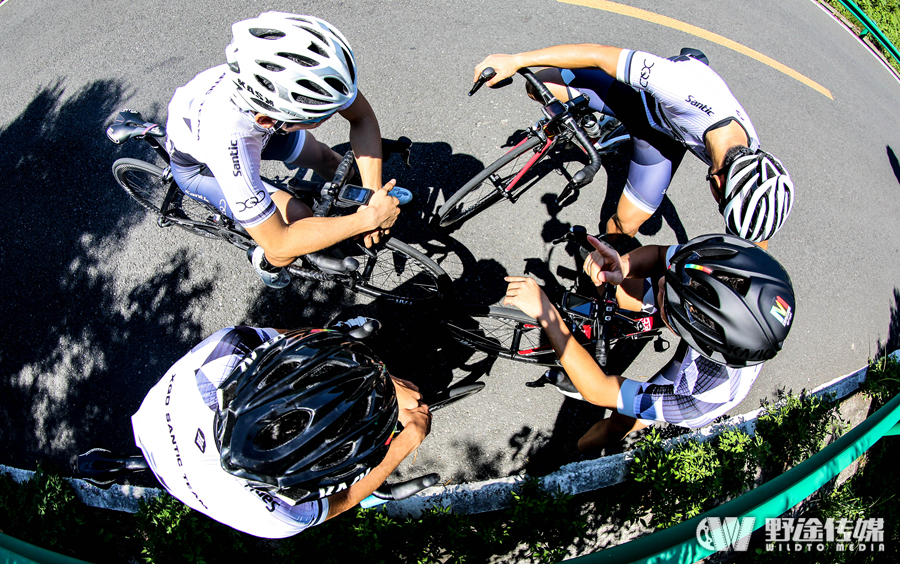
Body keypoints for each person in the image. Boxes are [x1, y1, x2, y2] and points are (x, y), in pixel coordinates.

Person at [166, 12, 408, 288]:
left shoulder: (278, 84)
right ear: (270, 120)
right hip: (201, 164)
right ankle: (265, 265)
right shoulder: (228, 142)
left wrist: (373, 194)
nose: (335, 114)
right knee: (297, 217)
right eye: (321, 115)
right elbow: (281, 241)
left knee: (326, 158)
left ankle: (353, 198)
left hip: (258, 131)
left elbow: (361, 117)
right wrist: (369, 218)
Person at [475, 45, 794, 251]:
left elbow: (756, 235)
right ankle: (589, 122)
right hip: (644, 100)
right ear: (719, 181)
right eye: (721, 202)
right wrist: (516, 60)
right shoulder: (685, 92)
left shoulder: (752, 165)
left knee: (623, 227)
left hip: (664, 139)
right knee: (538, 84)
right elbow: (600, 55)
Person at [503, 234, 795, 454]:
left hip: (694, 386)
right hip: (713, 345)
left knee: (621, 420)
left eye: (664, 297)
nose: (659, 282)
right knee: (628, 292)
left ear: (688, 329)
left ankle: (569, 454)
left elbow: (599, 390)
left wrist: (548, 315)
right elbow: (658, 257)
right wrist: (623, 265)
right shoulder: (715, 260)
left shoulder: (700, 398)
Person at [131, 324, 431, 538]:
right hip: (170, 462)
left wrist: (380, 378)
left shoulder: (227, 351)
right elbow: (343, 499)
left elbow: (291, 344)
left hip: (153, 422)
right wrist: (404, 443)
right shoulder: (278, 517)